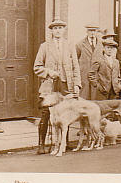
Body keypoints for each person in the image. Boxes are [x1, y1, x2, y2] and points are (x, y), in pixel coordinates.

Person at [33, 19, 82, 154]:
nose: (58, 30)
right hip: (49, 86)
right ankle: (41, 144)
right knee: (46, 114)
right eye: (55, 28)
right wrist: (49, 72)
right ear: (52, 31)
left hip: (66, 85)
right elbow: (36, 67)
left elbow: (75, 66)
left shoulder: (70, 45)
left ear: (64, 30)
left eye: (60, 28)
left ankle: (63, 144)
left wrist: (77, 84)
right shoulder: (45, 46)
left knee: (65, 113)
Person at [76, 23, 103, 100]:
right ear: (87, 32)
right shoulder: (80, 44)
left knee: (96, 98)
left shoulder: (101, 44)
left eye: (94, 31)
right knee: (84, 97)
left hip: (97, 75)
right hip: (84, 75)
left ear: (97, 32)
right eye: (90, 31)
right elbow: (75, 60)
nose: (92, 33)